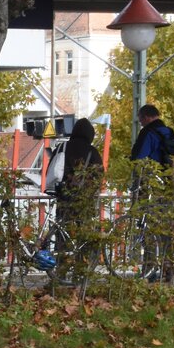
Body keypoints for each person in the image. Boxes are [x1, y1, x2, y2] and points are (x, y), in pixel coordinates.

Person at [51, 117, 103, 278]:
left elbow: (52, 170)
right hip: (84, 201)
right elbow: (99, 175)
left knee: (62, 233)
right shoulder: (92, 151)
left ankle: (60, 270)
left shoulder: (62, 147)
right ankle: (80, 271)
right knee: (84, 235)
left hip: (64, 197)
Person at [130, 103, 174, 283]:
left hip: (150, 188)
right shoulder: (169, 132)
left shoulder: (148, 133)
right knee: (167, 231)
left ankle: (149, 270)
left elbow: (138, 159)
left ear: (146, 117)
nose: (140, 123)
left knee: (148, 229)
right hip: (169, 188)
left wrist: (135, 185)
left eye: (140, 120)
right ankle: (168, 270)